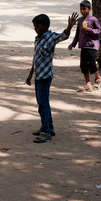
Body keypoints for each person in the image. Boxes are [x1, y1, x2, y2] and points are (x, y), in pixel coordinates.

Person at [26, 12, 78, 143]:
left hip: (45, 76)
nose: (35, 29)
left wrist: (69, 26)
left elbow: (63, 36)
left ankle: (46, 132)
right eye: (34, 26)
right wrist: (30, 74)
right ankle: (50, 126)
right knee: (43, 103)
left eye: (37, 26)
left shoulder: (51, 37)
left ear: (44, 26)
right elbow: (35, 58)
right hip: (38, 75)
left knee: (42, 105)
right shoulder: (37, 39)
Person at [68, 0, 101, 92]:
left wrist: (89, 30)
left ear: (89, 9)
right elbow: (77, 33)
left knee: (92, 64)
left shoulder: (93, 19)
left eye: (84, 9)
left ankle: (98, 78)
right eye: (81, 9)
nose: (82, 11)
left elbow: (99, 31)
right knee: (83, 65)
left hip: (92, 46)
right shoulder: (80, 20)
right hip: (83, 46)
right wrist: (73, 44)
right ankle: (88, 83)